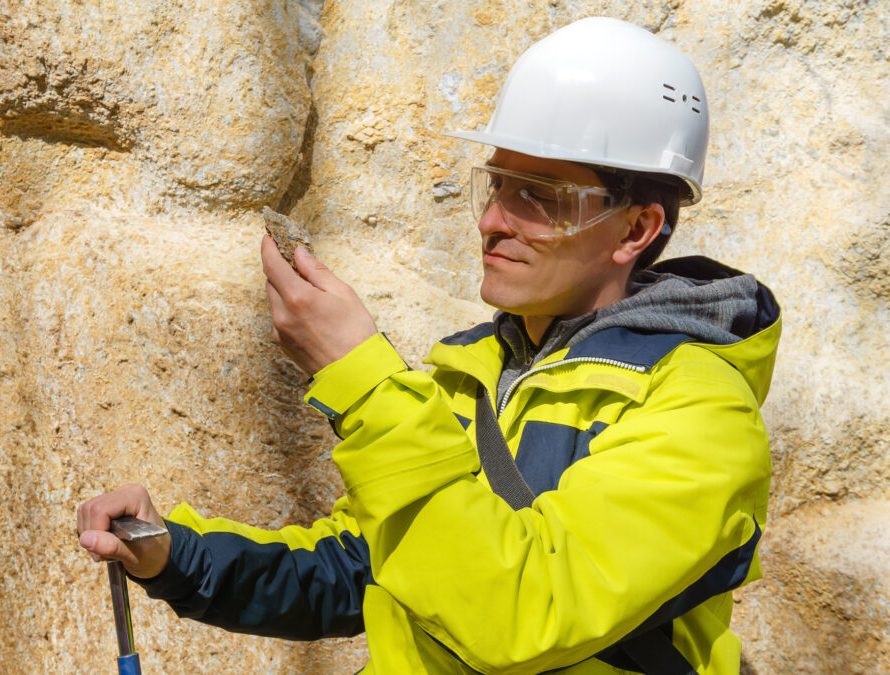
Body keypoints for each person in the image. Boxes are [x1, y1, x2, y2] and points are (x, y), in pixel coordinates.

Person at [76, 17, 780, 674]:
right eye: (497, 183)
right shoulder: (475, 373)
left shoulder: (702, 412)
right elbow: (362, 565)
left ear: (636, 229)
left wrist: (362, 378)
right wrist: (172, 553)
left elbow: (522, 608)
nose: (495, 220)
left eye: (541, 195)